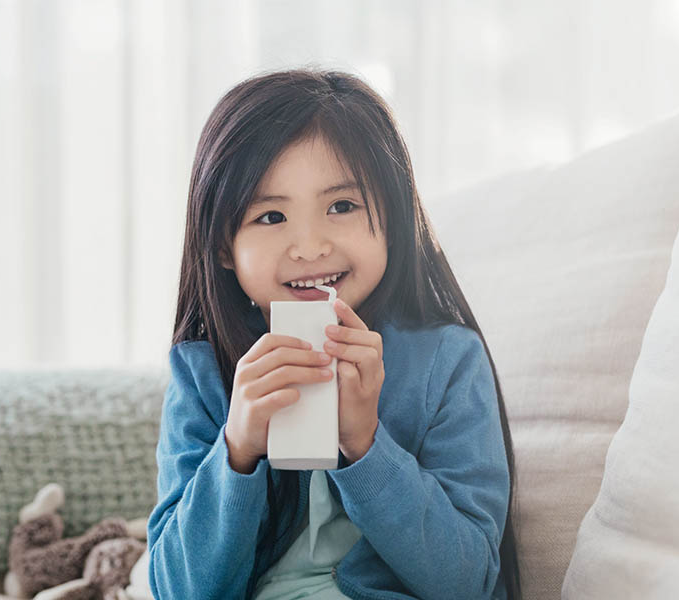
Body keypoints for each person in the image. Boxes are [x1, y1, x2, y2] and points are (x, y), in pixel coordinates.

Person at [146, 68, 522, 600]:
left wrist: (366, 444)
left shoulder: (448, 360)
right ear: (224, 248)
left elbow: (467, 582)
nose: (310, 246)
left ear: (392, 219)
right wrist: (239, 447)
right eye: (271, 215)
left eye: (341, 206)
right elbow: (178, 590)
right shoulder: (204, 372)